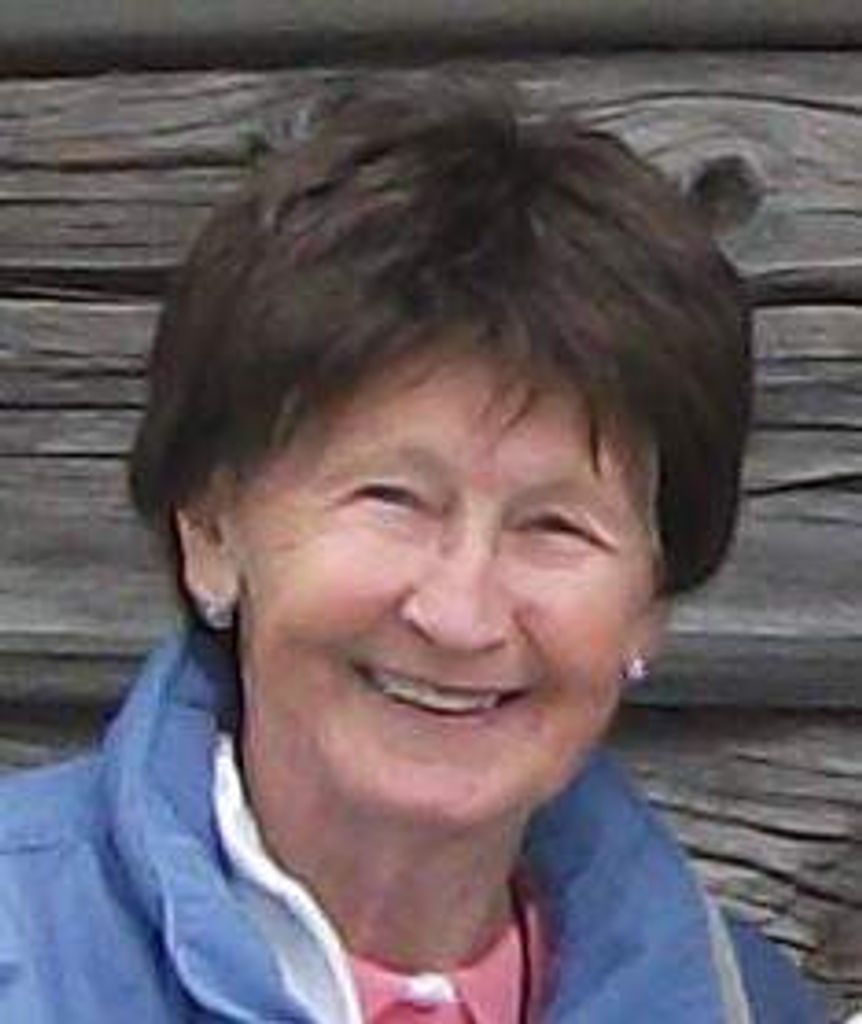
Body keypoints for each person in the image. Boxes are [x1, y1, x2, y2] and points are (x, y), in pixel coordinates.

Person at [0, 84, 826, 1022]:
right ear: (211, 531)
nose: (460, 614)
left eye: (555, 526)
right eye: (391, 499)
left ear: (651, 605)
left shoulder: (739, 1005)